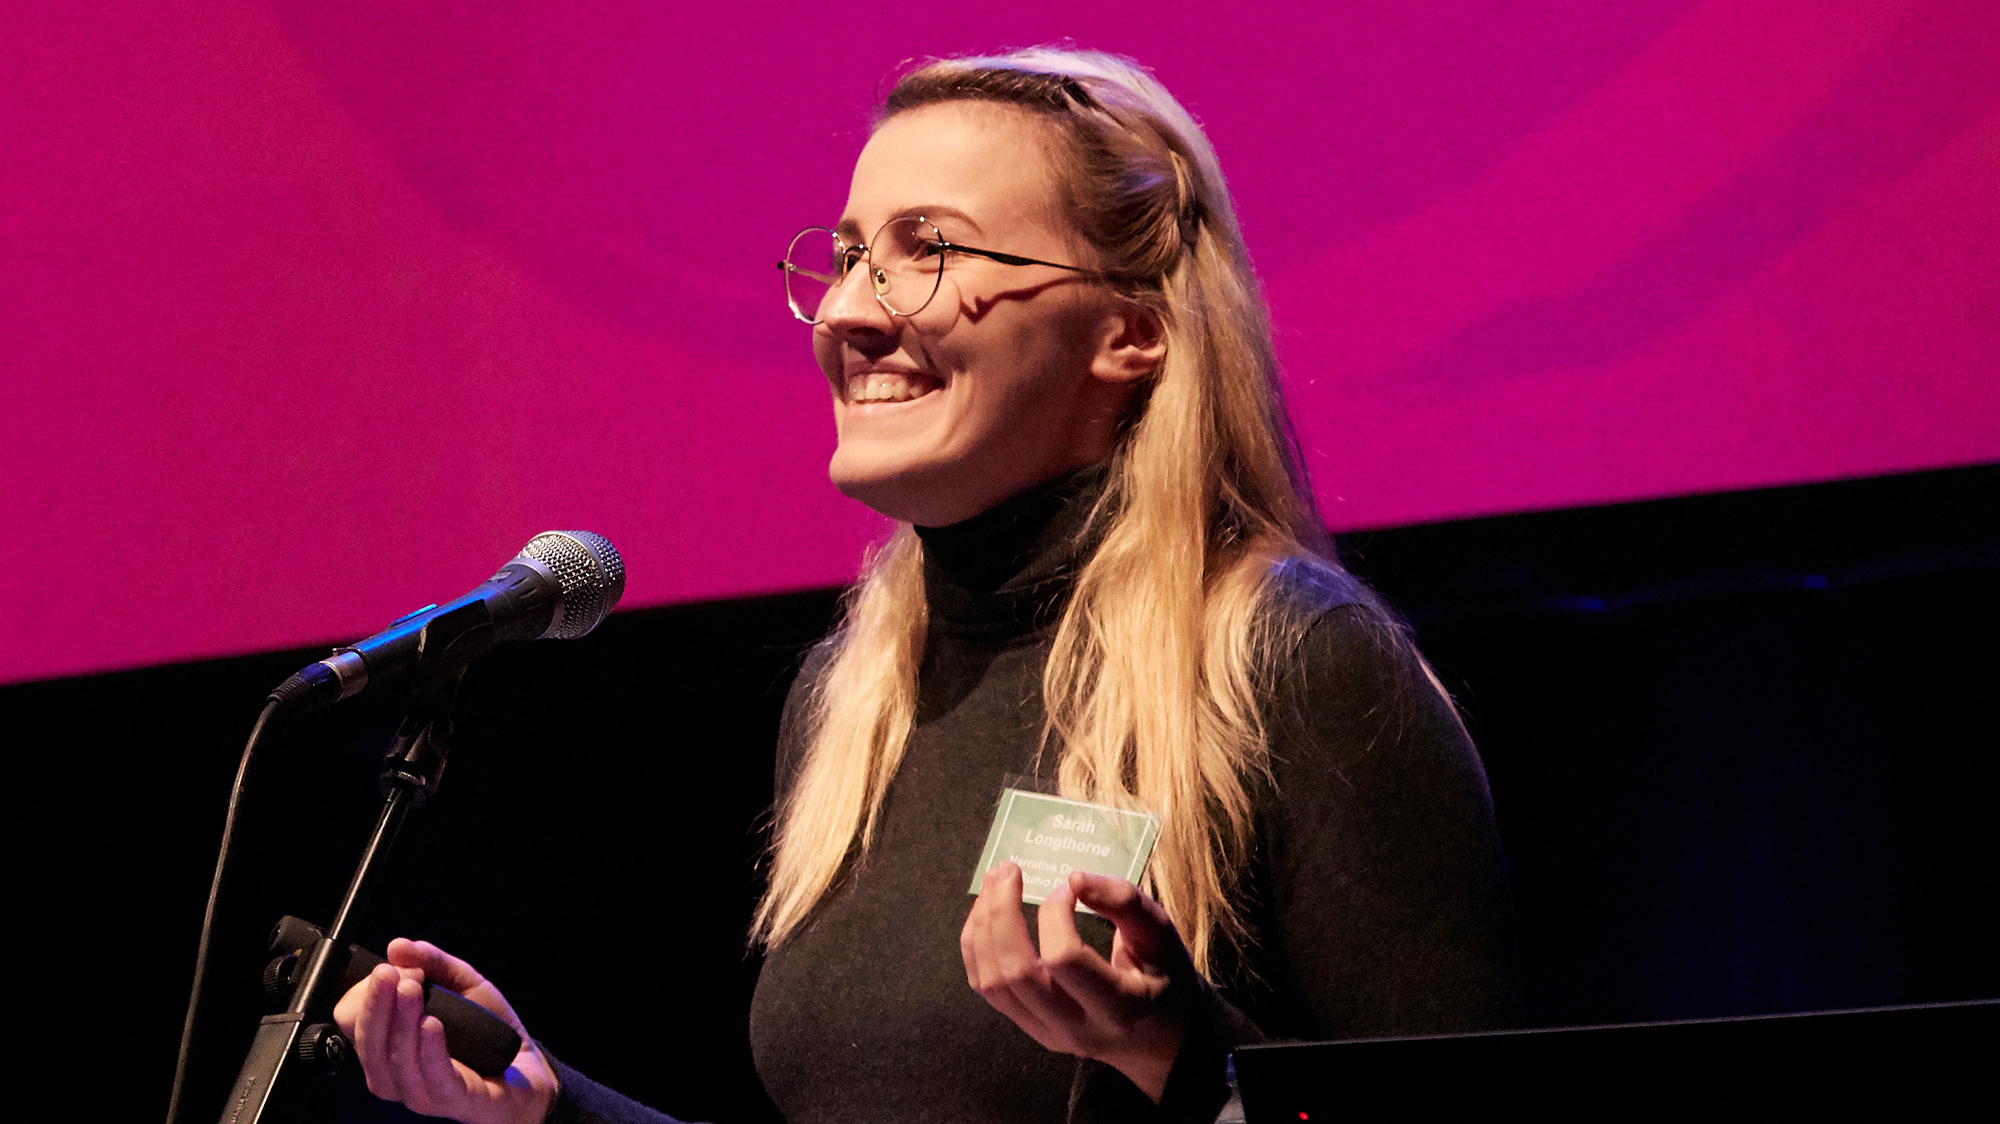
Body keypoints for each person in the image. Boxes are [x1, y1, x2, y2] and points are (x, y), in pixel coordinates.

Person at [334, 47, 1517, 1124]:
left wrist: (1179, 1052)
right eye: (848, 254)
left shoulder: (1295, 663)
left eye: (928, 249)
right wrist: (554, 1111)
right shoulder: (852, 699)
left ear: (1130, 333)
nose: (847, 311)